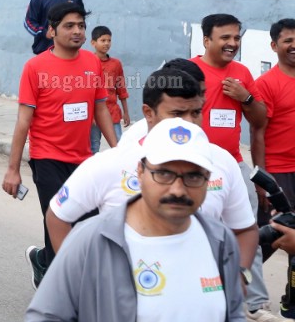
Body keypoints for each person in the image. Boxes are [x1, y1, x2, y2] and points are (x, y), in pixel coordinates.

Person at [25, 121, 274, 322]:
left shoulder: (218, 240)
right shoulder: (93, 241)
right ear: (140, 171)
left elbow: (233, 320)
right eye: (165, 173)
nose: (178, 189)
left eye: (193, 176)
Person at [46, 71, 260, 274]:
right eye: (177, 114)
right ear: (149, 113)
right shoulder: (110, 163)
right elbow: (58, 216)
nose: (189, 123)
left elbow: (245, 230)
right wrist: (79, 276)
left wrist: (239, 277)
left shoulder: (222, 162)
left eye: (195, 112)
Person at [5, 3, 117, 288]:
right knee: (60, 221)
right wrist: (13, 170)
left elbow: (101, 108)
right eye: (69, 26)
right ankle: (60, 292)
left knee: (87, 224)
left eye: (81, 25)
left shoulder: (92, 62)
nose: (77, 31)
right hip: (47, 159)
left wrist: (118, 152)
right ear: (52, 30)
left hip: (83, 159)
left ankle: (43, 260)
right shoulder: (35, 67)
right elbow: (23, 122)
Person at [192, 12, 282, 322]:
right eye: (225, 37)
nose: (232, 43)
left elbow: (259, 121)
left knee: (248, 232)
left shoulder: (242, 73)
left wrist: (244, 97)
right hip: (194, 165)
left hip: (233, 164)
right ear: (207, 40)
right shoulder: (189, 71)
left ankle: (255, 307)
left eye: (236, 37)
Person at [255, 18, 295, 209]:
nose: (294, 45)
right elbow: (257, 134)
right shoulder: (265, 84)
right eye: (288, 41)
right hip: (279, 172)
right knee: (278, 233)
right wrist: (262, 180)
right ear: (274, 45)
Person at [90, 25, 131, 153]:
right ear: (93, 43)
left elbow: (121, 89)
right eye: (103, 40)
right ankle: (94, 172)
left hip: (112, 111)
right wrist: (90, 116)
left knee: (118, 145)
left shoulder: (116, 64)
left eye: (109, 40)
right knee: (93, 146)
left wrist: (126, 112)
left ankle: (121, 171)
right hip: (93, 113)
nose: (107, 43)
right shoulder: (88, 62)